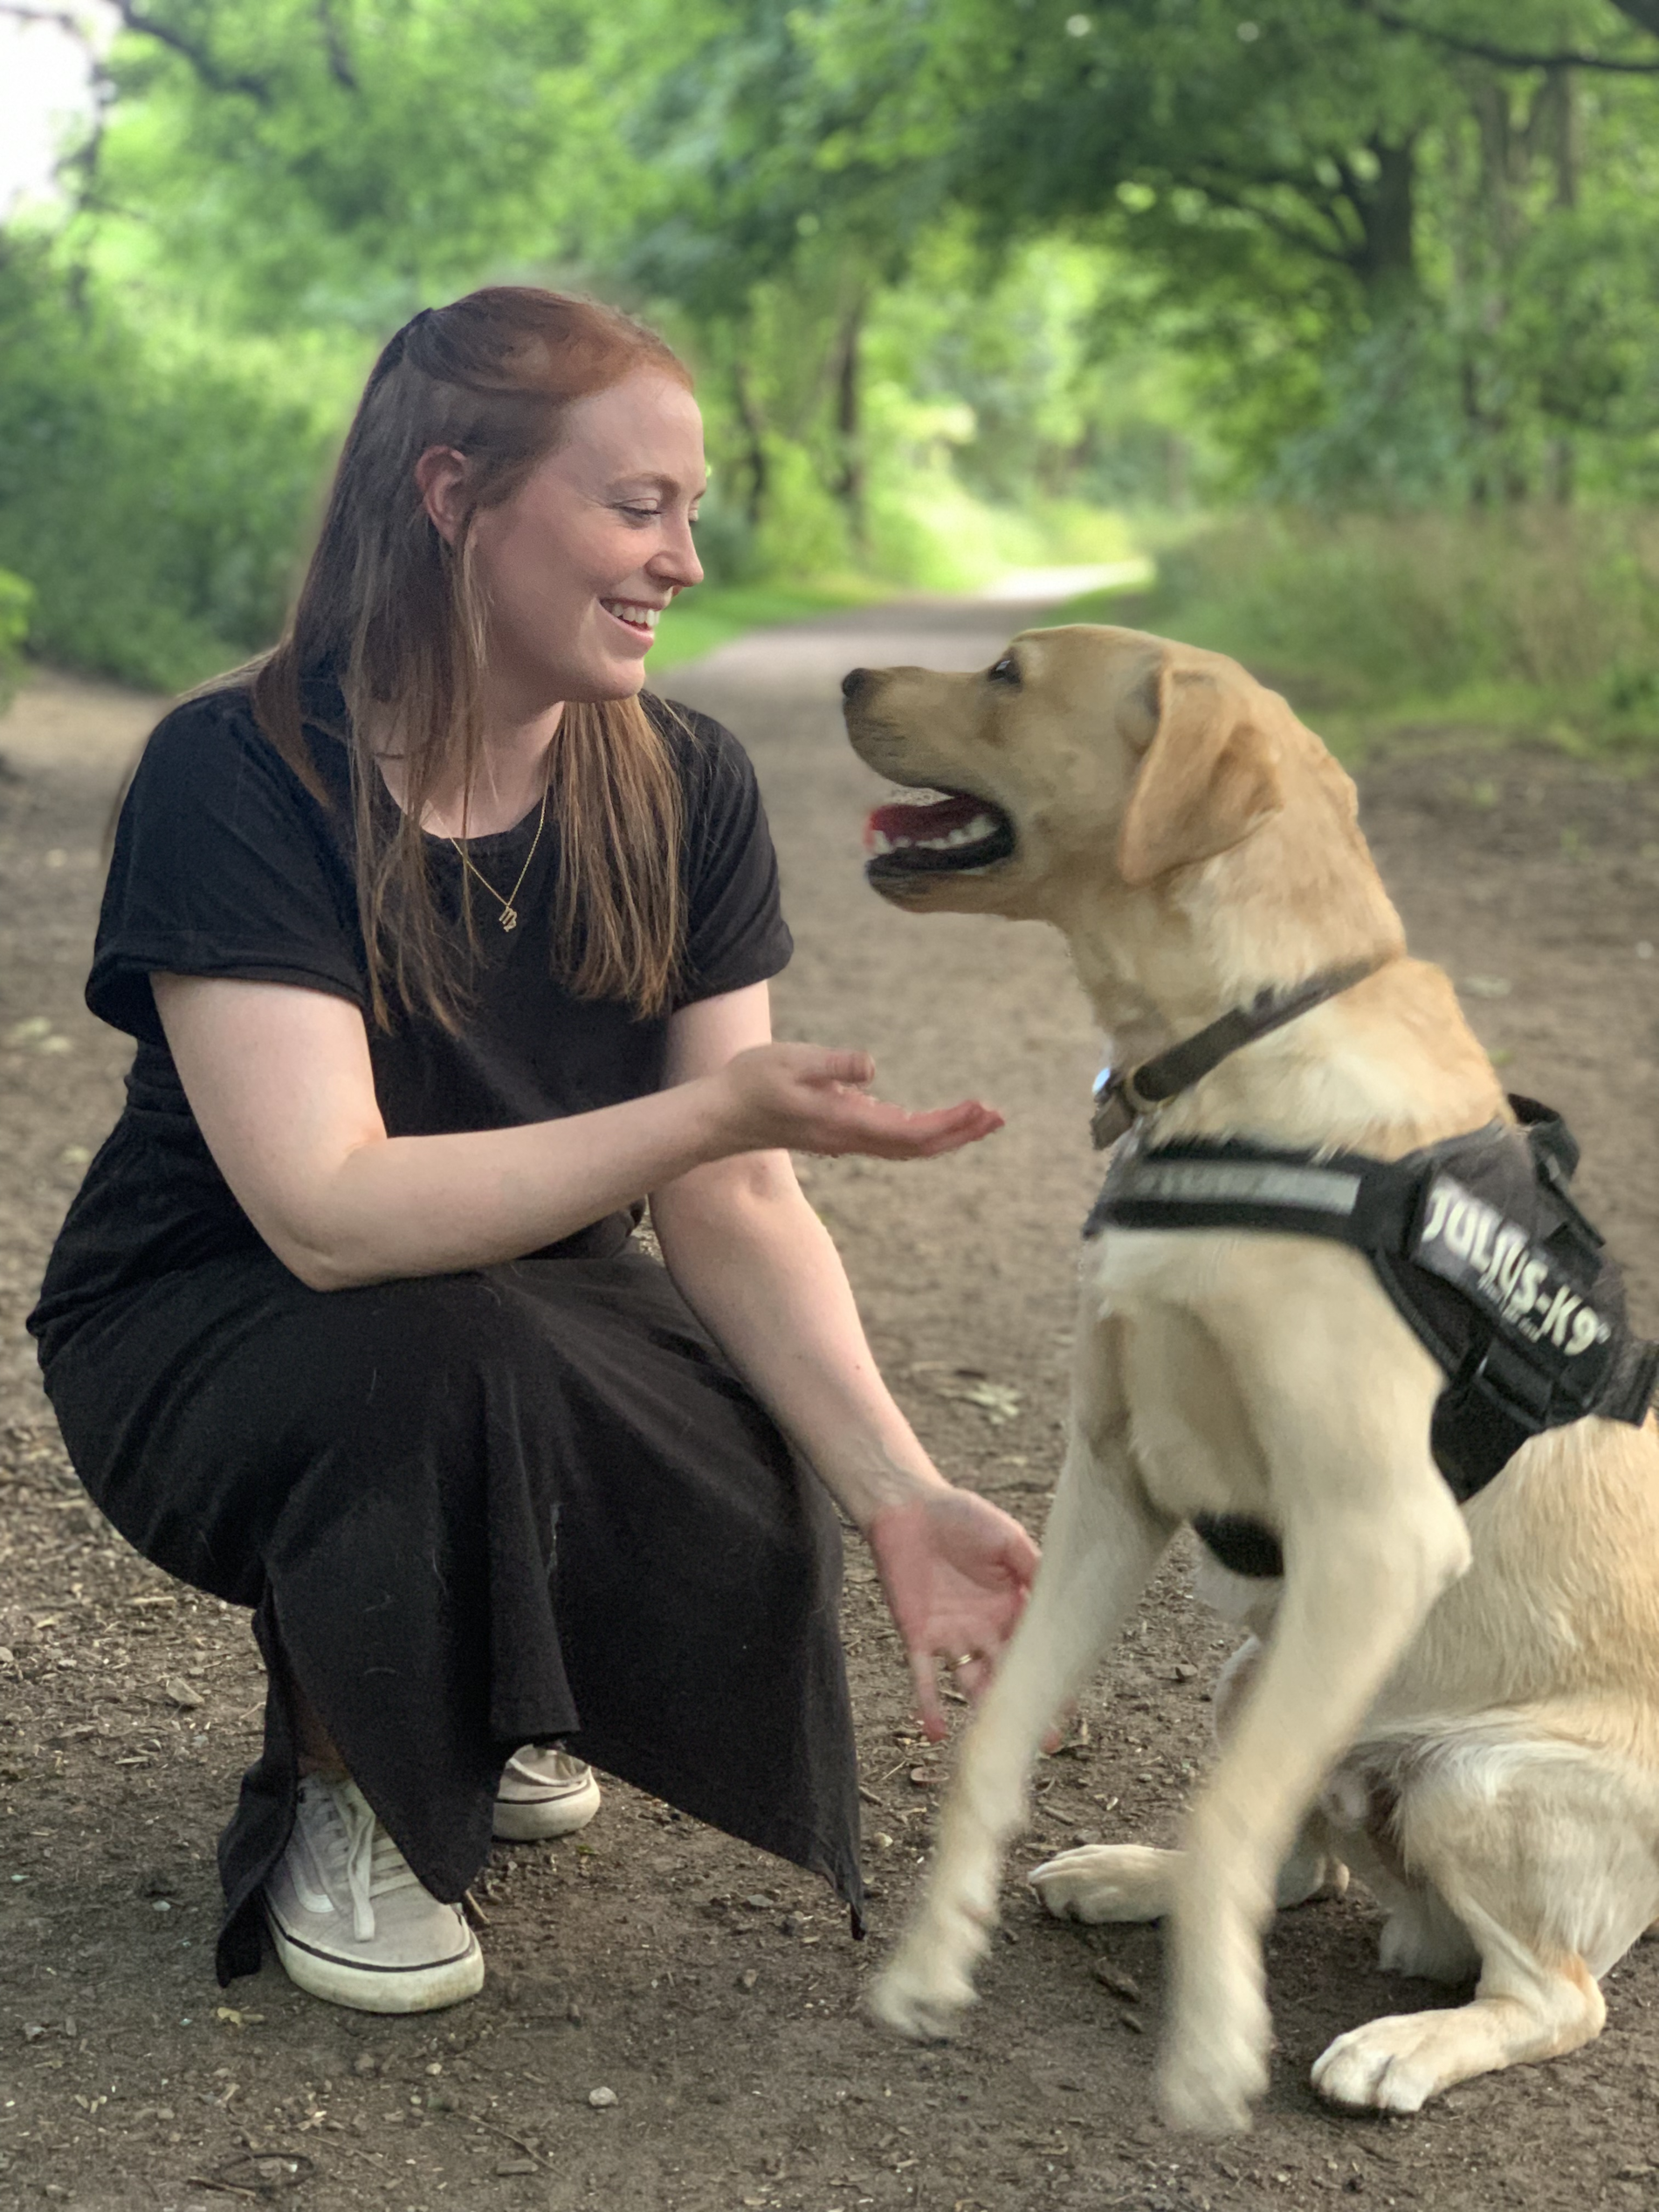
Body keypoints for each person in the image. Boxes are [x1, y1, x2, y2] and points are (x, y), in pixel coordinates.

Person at [28, 286, 1039, 2016]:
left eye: (689, 511)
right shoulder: (239, 771)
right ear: (452, 497)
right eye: (633, 508)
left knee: (729, 1403)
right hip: (209, 1317)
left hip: (522, 1292)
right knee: (442, 1353)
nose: (682, 560)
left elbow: (730, 1196)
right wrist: (708, 1111)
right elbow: (330, 1213)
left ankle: (490, 1678)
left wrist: (897, 1491)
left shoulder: (685, 782)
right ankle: (352, 1794)